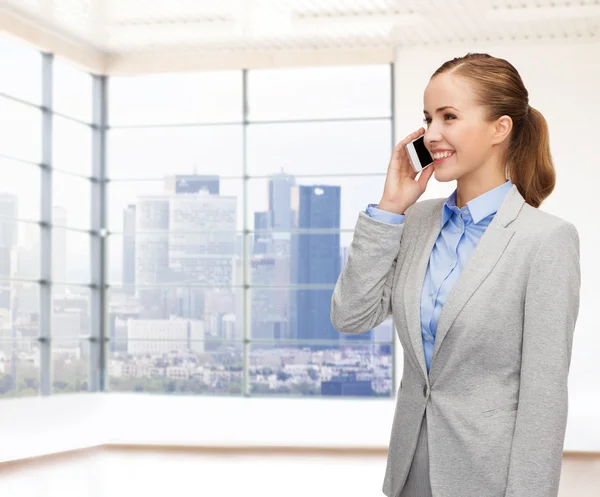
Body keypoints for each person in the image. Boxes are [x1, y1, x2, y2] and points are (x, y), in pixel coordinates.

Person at [330, 53, 581, 497]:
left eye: (449, 116)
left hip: (487, 478)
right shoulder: (415, 224)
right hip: (408, 471)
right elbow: (351, 316)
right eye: (427, 118)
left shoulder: (546, 241)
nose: (431, 135)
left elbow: (544, 399)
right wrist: (390, 210)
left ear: (499, 129)